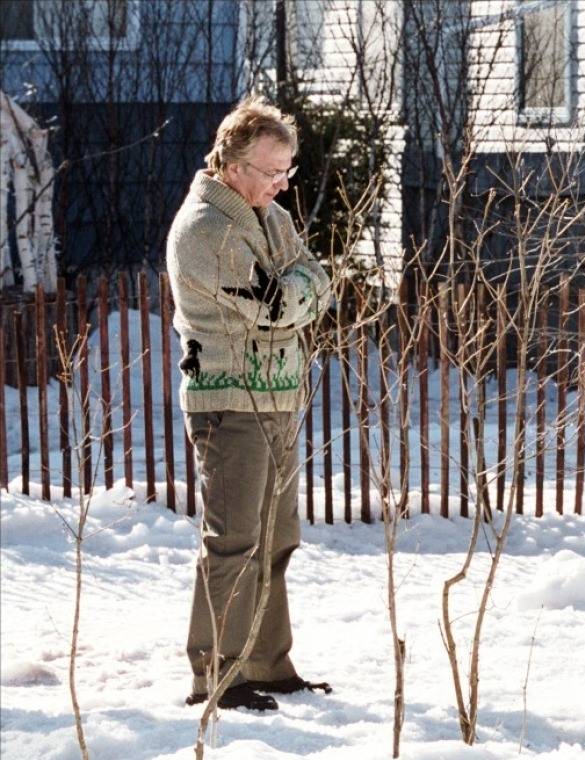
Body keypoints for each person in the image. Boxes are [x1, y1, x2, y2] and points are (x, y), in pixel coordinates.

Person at [167, 95, 332, 712]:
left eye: (288, 170)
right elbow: (275, 305)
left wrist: (300, 291)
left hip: (280, 397)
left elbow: (318, 282)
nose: (282, 184)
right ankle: (218, 675)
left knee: (277, 537)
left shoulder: (273, 218)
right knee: (234, 540)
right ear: (233, 164)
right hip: (228, 401)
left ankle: (267, 662)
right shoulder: (205, 229)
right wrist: (297, 293)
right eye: (272, 171)